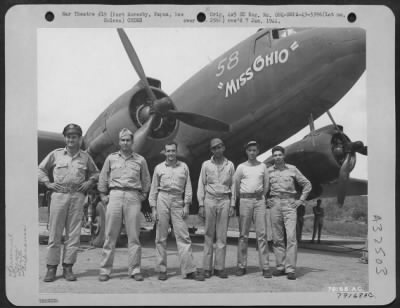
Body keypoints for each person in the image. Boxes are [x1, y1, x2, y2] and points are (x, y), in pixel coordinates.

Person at [38, 124, 99, 282]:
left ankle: (68, 268)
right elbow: (41, 169)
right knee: (55, 234)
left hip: (77, 197)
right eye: (68, 136)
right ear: (65, 138)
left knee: (73, 235)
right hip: (59, 196)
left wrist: (89, 182)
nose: (71, 139)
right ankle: (51, 268)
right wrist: (47, 183)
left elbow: (96, 173)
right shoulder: (56, 154)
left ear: (79, 139)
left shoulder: (85, 157)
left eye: (74, 137)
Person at [97, 128, 151, 282]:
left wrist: (143, 195)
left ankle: (135, 270)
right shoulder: (111, 158)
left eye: (128, 140)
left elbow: (146, 179)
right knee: (110, 235)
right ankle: (105, 270)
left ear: (132, 142)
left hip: (133, 196)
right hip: (114, 195)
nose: (125, 142)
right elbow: (103, 177)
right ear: (119, 142)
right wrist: (103, 195)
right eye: (123, 140)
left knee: (134, 236)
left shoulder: (140, 160)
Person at [149, 141, 204, 281]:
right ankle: (162, 270)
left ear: (176, 151)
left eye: (173, 151)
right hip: (162, 199)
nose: (171, 154)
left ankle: (189, 270)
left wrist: (186, 205)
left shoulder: (183, 167)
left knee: (183, 236)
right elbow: (154, 189)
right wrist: (153, 208)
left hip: (177, 200)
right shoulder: (159, 168)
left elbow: (188, 186)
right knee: (161, 237)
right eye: (168, 151)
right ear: (164, 152)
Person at [267, 145, 311, 280]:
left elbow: (307, 184)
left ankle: (290, 269)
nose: (277, 157)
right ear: (273, 157)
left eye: (280, 155)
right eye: (275, 155)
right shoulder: (268, 171)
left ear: (283, 156)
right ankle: (280, 267)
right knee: (277, 238)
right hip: (275, 205)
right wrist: (266, 200)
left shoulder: (292, 169)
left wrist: (300, 200)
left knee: (291, 237)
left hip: (289, 204)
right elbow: (262, 187)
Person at [197, 138, 236, 279]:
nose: (217, 150)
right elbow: (201, 184)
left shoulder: (230, 165)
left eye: (219, 147)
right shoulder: (206, 165)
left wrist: (232, 204)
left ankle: (219, 268)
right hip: (210, 199)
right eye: (214, 148)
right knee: (208, 234)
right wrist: (201, 203)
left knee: (221, 235)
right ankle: (206, 268)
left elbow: (233, 186)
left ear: (223, 148)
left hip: (224, 200)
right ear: (211, 150)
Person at [233, 141, 271, 278]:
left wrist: (261, 196)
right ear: (246, 152)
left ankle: (265, 267)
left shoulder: (263, 166)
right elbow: (236, 185)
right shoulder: (241, 167)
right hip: (245, 200)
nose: (252, 152)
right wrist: (243, 197)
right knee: (243, 235)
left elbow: (266, 184)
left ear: (258, 151)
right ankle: (241, 266)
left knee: (262, 235)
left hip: (259, 201)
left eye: (254, 150)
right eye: (250, 150)